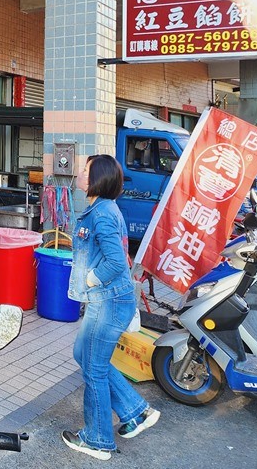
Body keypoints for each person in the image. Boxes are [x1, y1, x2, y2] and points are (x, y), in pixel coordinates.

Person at [63, 154, 159, 461]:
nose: (79, 172)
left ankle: (98, 439)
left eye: (85, 169)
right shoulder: (101, 208)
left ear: (97, 178)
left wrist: (91, 278)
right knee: (85, 355)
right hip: (105, 301)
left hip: (108, 301)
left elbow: (116, 262)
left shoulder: (102, 214)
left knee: (93, 367)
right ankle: (135, 411)